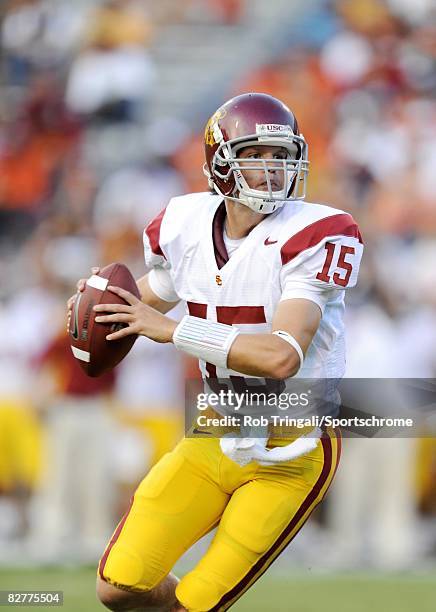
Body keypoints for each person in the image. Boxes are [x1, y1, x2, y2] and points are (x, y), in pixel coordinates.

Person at [68, 92, 363, 611]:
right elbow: (150, 292)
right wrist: (96, 310)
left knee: (197, 605)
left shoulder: (317, 233)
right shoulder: (184, 224)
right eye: (255, 155)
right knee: (118, 586)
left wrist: (173, 330)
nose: (272, 170)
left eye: (280, 156)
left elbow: (281, 357)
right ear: (220, 161)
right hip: (214, 431)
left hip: (290, 448)